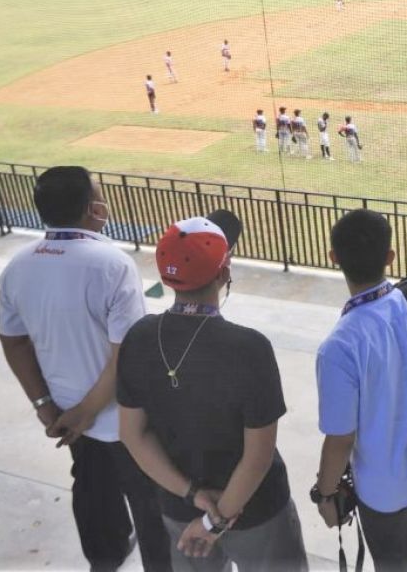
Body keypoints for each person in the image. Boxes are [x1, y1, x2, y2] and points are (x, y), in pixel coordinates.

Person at [0, 166, 171, 572]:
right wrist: (88, 412)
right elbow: (125, 353)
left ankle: (105, 560)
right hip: (122, 420)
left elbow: (13, 341)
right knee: (149, 504)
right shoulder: (111, 264)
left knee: (93, 489)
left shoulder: (18, 266)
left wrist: (45, 404)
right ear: (94, 209)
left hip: (66, 415)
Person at [118, 211, 308, 572]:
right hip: (256, 512)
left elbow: (131, 433)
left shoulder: (140, 337)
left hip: (179, 508)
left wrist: (192, 495)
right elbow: (258, 457)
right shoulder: (249, 348)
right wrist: (214, 522)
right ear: (223, 273)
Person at [313, 209, 407, 572]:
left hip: (384, 491)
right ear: (390, 257)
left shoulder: (338, 347)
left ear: (334, 259)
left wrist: (325, 493)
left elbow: (340, 439)